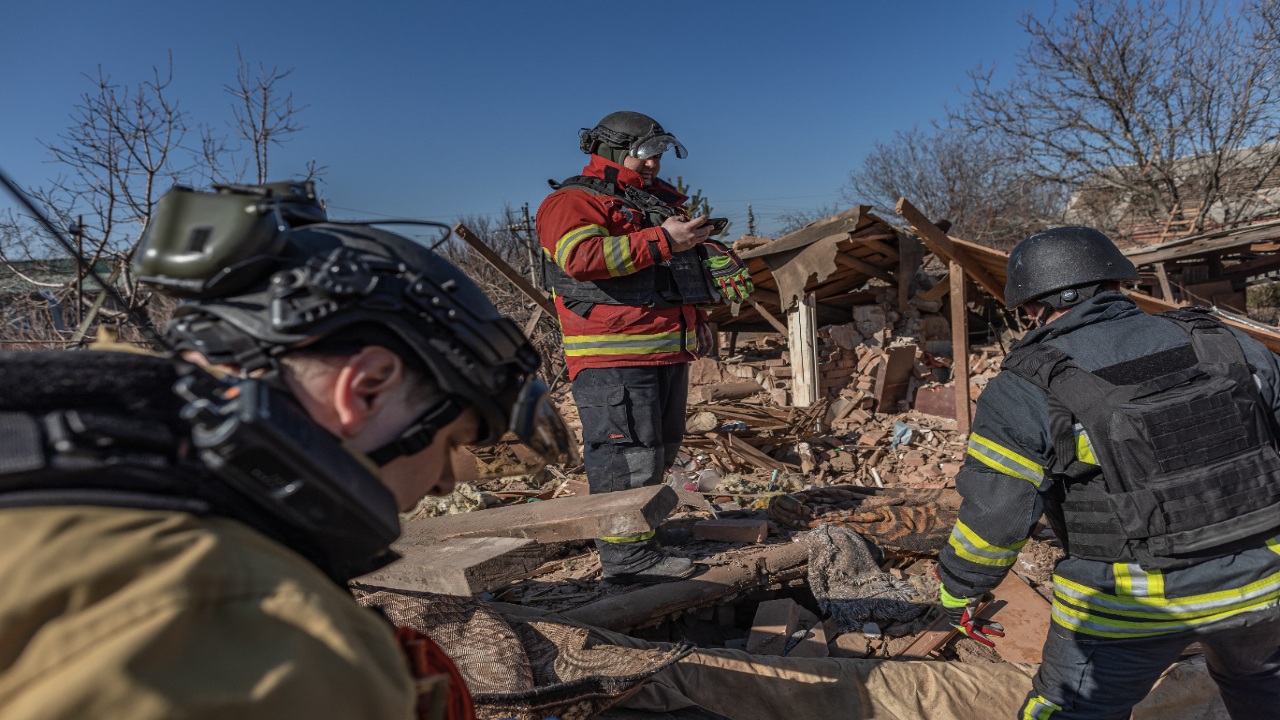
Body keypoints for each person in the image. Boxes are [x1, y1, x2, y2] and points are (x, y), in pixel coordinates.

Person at [0, 181, 572, 719]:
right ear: (365, 390)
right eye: (450, 443)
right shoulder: (266, 632)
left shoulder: (64, 451)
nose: (447, 481)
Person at [934, 226, 1280, 720]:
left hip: (1131, 607)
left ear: (1033, 308)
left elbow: (999, 513)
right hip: (1266, 586)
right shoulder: (1231, 344)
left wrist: (957, 588)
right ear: (1119, 281)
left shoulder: (1025, 387)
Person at [536, 111, 753, 584]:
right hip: (612, 354)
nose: (654, 163)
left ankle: (643, 535)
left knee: (658, 450)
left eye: (659, 154)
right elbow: (581, 257)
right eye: (646, 153)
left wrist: (698, 309)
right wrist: (663, 239)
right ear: (613, 150)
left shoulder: (651, 203)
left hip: (664, 349)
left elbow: (663, 270)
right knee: (625, 455)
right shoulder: (571, 201)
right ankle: (626, 560)